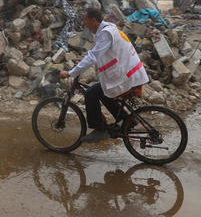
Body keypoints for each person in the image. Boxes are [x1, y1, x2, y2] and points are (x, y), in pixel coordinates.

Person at [60, 8, 149, 143]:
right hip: (131, 74)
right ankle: (127, 120)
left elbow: (93, 56)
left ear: (94, 20)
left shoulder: (106, 33)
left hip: (127, 77)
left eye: (86, 20)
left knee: (91, 93)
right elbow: (99, 54)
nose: (84, 24)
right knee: (104, 91)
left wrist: (71, 72)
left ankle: (100, 129)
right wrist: (82, 63)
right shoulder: (109, 29)